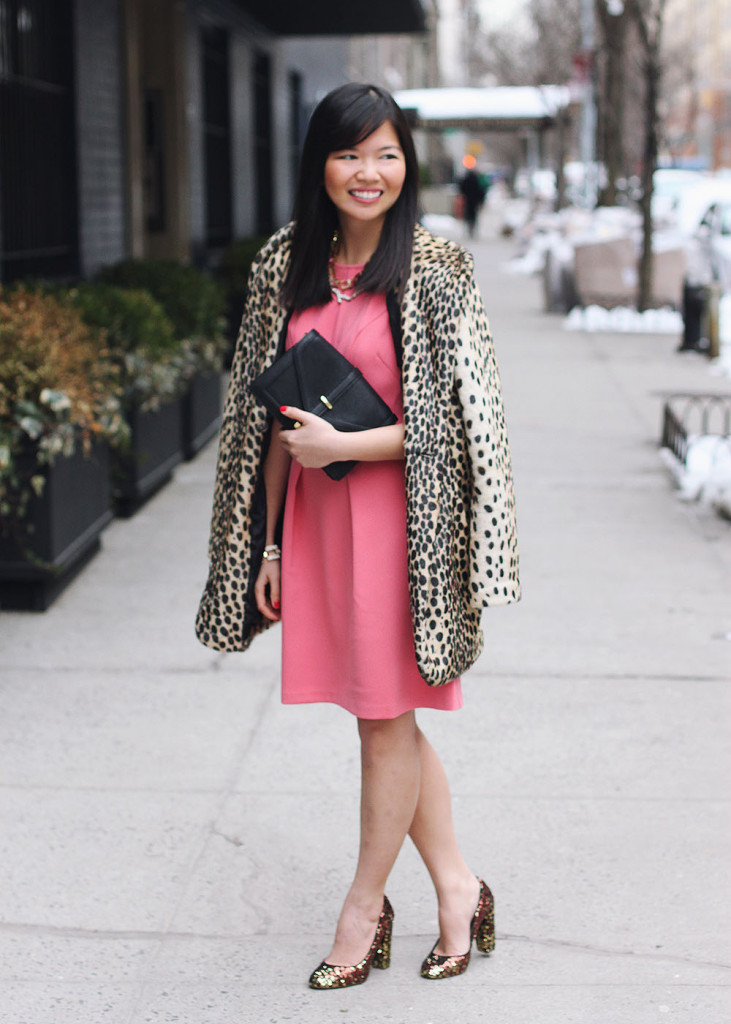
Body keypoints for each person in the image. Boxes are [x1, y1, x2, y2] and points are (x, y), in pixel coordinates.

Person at [196, 83, 520, 989]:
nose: (366, 173)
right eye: (348, 154)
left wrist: (348, 443)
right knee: (387, 721)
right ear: (320, 165)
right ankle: (460, 888)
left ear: (405, 163)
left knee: (385, 723)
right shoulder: (282, 264)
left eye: (384, 153)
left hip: (398, 529)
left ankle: (362, 909)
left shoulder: (435, 267)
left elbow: (464, 419)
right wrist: (265, 547)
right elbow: (264, 421)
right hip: (316, 527)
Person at [459, 168, 487, 238]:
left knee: (468, 214)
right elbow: (481, 190)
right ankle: (472, 228)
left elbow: (462, 188)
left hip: (468, 200)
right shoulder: (476, 180)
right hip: (474, 200)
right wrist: (481, 200)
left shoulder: (466, 180)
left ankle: (469, 228)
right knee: (473, 215)